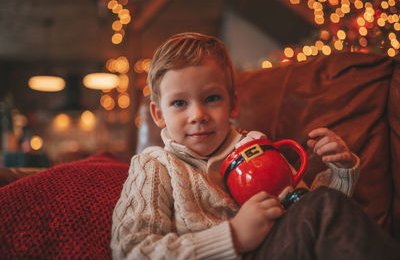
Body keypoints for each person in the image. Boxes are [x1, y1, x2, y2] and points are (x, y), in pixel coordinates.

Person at [111, 32, 400, 259]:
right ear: (158, 114)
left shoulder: (257, 150)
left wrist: (340, 172)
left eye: (212, 98)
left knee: (323, 203)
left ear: (233, 104)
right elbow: (133, 251)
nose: (198, 115)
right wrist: (233, 235)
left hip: (282, 249)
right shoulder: (154, 166)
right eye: (179, 103)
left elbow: (307, 215)